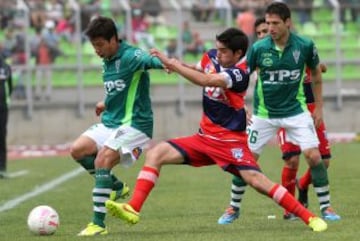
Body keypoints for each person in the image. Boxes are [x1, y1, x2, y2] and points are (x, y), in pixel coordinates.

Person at [105, 27, 328, 232]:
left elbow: (206, 80)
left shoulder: (240, 74)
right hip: (204, 138)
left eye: (224, 51)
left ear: (238, 53)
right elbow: (200, 68)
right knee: (156, 153)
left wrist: (174, 65)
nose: (218, 53)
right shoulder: (211, 56)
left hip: (229, 142)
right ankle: (133, 208)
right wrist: (177, 64)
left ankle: (309, 217)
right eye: (217, 48)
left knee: (257, 182)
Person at [217, 2, 340, 225]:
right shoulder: (259, 48)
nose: (271, 28)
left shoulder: (304, 45)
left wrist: (319, 107)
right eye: (268, 23)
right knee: (246, 160)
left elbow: (316, 72)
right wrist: (240, 105)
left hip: (296, 112)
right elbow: (242, 76)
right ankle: (233, 208)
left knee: (314, 156)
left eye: (275, 23)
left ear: (287, 23)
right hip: (264, 114)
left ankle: (326, 207)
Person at [70, 16, 164, 236]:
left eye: (100, 45)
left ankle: (98, 224)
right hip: (112, 120)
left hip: (135, 124)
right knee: (78, 150)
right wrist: (106, 102)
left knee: (103, 158)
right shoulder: (107, 61)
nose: (97, 50)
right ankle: (116, 187)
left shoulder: (132, 56)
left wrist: (168, 64)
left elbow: (152, 61)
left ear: (114, 39)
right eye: (94, 46)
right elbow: (120, 87)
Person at [0, 54, 12, 178]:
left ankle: (2, 167)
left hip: (2, 106)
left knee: (1, 136)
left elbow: (10, 86)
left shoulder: (5, 66)